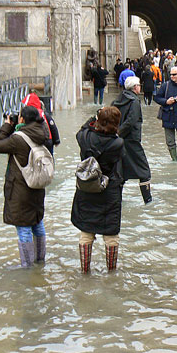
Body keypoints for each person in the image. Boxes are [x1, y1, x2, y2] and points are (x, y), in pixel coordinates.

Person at [0, 106, 49, 268]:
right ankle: (40, 260)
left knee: (24, 227)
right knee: (37, 223)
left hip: (20, 189)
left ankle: (27, 266)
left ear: (22, 119)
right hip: (37, 186)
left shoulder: (18, 138)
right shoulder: (42, 132)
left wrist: (7, 126)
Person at [71, 107, 125, 273]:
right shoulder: (117, 143)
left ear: (98, 121)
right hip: (109, 190)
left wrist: (93, 118)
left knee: (86, 232)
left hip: (87, 187)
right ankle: (111, 273)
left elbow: (82, 129)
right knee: (110, 235)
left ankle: (85, 271)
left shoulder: (85, 137)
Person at [111, 76, 153, 203]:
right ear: (135, 87)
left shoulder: (117, 100)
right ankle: (148, 200)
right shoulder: (134, 101)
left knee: (121, 171)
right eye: (139, 85)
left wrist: (116, 134)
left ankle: (117, 200)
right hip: (132, 141)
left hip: (118, 142)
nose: (140, 87)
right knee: (144, 171)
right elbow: (131, 121)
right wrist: (120, 132)